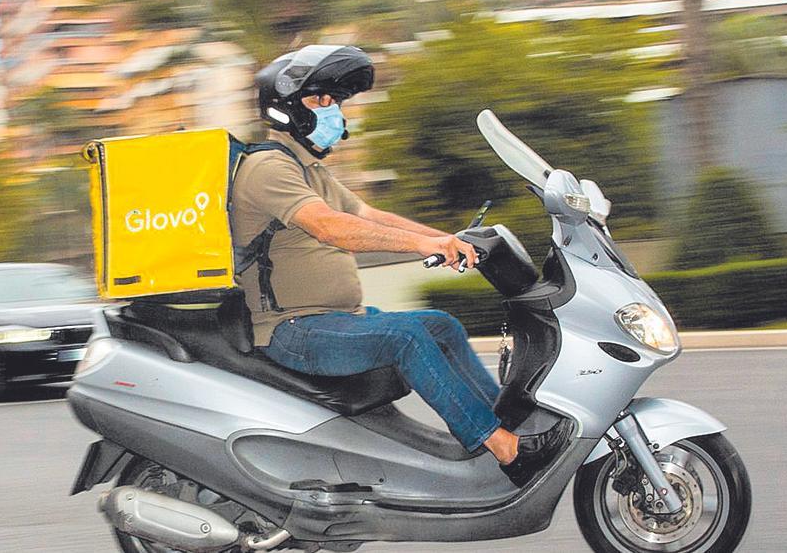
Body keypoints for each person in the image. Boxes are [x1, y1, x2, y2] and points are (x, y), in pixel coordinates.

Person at [231, 45, 567, 486]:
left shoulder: (310, 170)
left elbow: (368, 217)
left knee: (441, 325)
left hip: (333, 321)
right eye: (321, 101)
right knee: (406, 337)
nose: (334, 111)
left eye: (336, 102)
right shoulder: (267, 167)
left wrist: (445, 239)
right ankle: (505, 449)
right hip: (293, 330)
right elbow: (334, 229)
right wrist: (424, 242)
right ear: (286, 109)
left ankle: (508, 426)